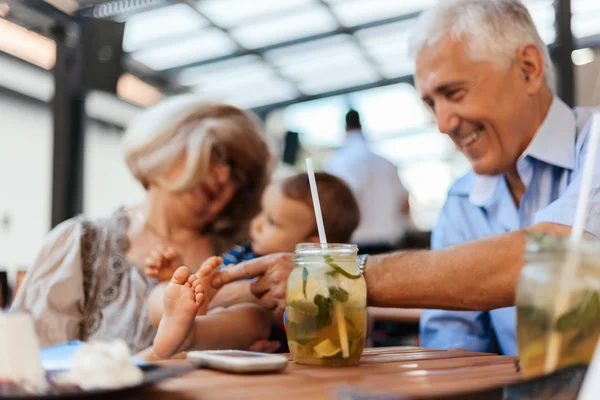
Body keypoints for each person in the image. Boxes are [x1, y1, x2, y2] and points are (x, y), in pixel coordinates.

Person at [208, 0, 600, 356]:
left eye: (455, 93)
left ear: (528, 69)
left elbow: (560, 255)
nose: (443, 124)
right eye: (431, 103)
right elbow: (453, 345)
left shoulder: (596, 144)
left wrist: (342, 275)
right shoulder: (461, 200)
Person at [11, 95, 272, 354]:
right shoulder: (82, 242)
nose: (224, 176)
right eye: (216, 155)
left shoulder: (246, 254)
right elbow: (32, 360)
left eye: (238, 173)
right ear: (166, 146)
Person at [147, 172, 360, 358]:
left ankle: (187, 335)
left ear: (311, 245)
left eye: (272, 222)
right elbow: (209, 283)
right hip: (213, 325)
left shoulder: (322, 273)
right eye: (262, 212)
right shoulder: (246, 252)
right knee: (160, 291)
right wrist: (185, 280)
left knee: (252, 315)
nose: (256, 224)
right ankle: (176, 315)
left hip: (265, 336)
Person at [325, 109, 410, 252]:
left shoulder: (337, 162)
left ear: (345, 129)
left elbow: (336, 207)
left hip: (355, 244)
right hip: (390, 242)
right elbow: (405, 204)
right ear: (362, 126)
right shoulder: (387, 162)